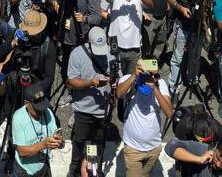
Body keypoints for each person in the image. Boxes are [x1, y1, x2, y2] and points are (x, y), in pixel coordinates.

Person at [66, 25, 114, 177]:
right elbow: (71, 81)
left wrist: (115, 82)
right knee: (79, 143)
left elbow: (118, 75)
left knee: (94, 145)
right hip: (83, 111)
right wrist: (90, 83)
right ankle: (74, 170)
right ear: (88, 42)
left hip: (102, 111)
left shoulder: (111, 53)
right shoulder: (77, 54)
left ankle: (92, 168)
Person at [116, 57, 173, 177]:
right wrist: (134, 76)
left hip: (153, 148)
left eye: (151, 72)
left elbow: (169, 113)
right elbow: (120, 93)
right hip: (133, 149)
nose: (147, 74)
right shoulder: (128, 79)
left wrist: (155, 88)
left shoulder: (160, 84)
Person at [11, 84, 62, 177]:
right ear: (26, 103)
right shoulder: (18, 118)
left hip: (43, 166)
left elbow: (56, 135)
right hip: (25, 171)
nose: (42, 110)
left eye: (43, 105)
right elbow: (22, 152)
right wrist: (43, 144)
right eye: (37, 107)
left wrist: (59, 141)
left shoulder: (47, 112)